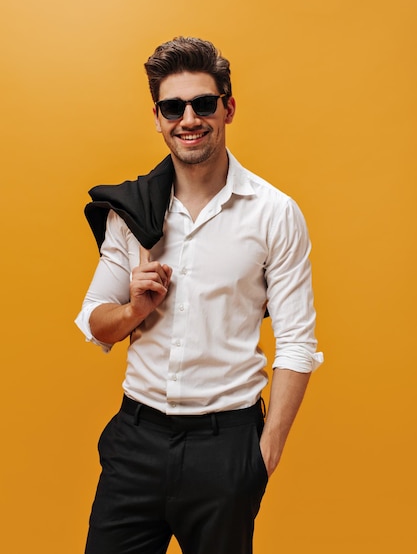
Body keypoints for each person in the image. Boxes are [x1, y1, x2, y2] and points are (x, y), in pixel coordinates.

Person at [75, 36, 323, 554]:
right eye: (173, 107)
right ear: (158, 117)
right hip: (135, 440)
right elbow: (96, 322)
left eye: (203, 103)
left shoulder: (274, 214)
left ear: (227, 108)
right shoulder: (133, 213)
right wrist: (134, 310)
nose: (189, 118)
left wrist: (264, 456)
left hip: (225, 447)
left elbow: (297, 343)